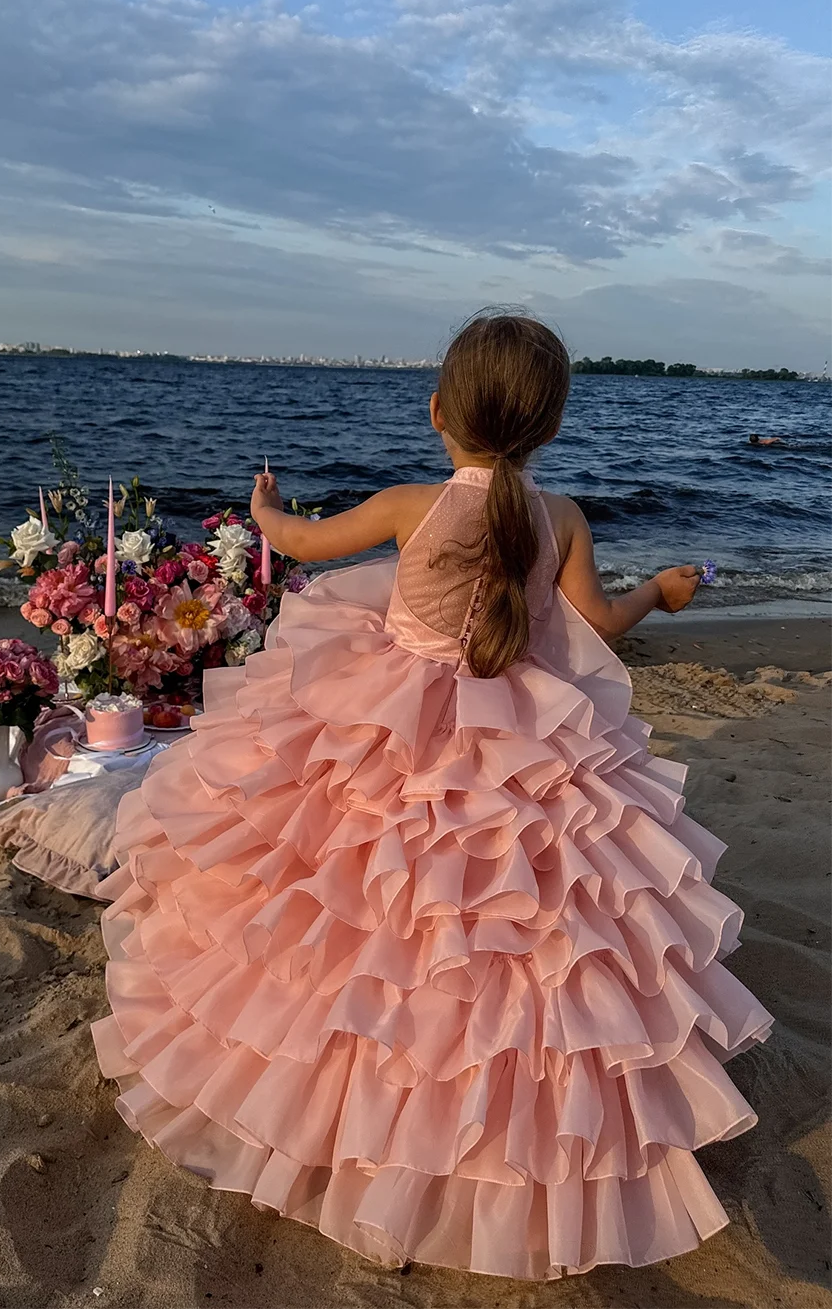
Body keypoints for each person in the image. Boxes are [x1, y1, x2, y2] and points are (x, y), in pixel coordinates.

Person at [91, 313, 771, 1280]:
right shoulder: (563, 516)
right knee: (518, 911)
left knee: (357, 890)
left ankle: (336, 1097)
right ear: (551, 425)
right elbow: (601, 628)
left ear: (439, 410)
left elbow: (298, 543)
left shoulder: (412, 503)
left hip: (391, 718)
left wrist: (264, 505)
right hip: (516, 732)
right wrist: (661, 591)